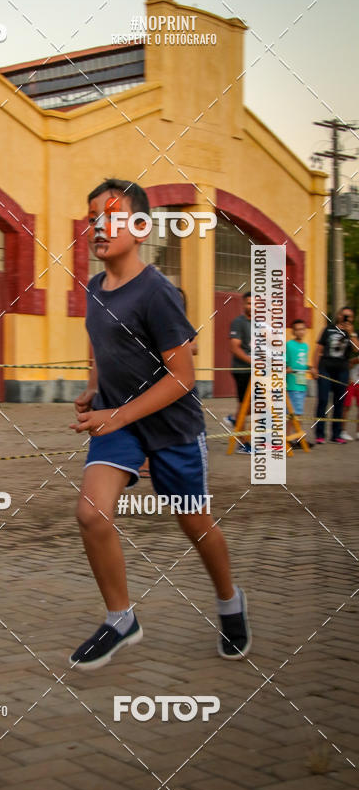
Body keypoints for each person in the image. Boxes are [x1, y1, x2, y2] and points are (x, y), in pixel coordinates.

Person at [68, 178, 250, 670]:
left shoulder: (159, 293)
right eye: (92, 220)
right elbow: (103, 349)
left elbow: (183, 378)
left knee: (193, 523)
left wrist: (116, 413)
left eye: (111, 217)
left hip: (172, 429)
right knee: (91, 514)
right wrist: (92, 388)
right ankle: (121, 618)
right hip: (121, 425)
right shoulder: (93, 288)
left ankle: (230, 602)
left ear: (141, 227)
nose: (98, 228)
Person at [312, 307, 358, 444]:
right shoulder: (328, 330)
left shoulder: (353, 333)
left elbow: (356, 350)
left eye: (349, 316)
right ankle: (320, 434)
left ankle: (336, 434)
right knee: (323, 400)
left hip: (342, 370)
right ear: (338, 315)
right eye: (344, 315)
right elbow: (318, 349)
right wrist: (314, 367)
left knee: (339, 402)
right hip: (325, 368)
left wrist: (351, 333)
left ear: (352, 319)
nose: (346, 318)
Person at [227, 292, 252, 453]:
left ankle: (235, 419)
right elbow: (234, 347)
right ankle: (243, 444)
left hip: (258, 371)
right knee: (244, 405)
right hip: (242, 370)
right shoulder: (238, 322)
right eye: (249, 303)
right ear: (243, 305)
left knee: (256, 405)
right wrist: (253, 362)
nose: (252, 306)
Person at [285, 319, 311, 446]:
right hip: (292, 384)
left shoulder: (306, 346)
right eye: (298, 329)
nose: (300, 331)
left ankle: (299, 439)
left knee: (299, 413)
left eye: (302, 329)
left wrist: (310, 369)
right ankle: (288, 439)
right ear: (293, 331)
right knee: (291, 414)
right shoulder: (289, 345)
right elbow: (284, 362)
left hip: (302, 385)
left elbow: (303, 364)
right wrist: (286, 369)